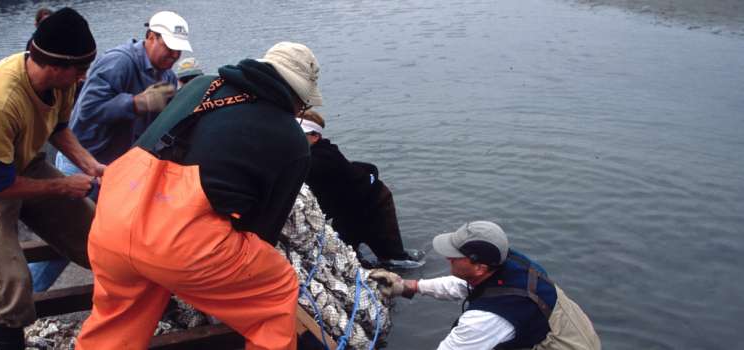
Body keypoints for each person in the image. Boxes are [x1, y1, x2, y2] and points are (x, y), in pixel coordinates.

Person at [75, 42, 322, 350]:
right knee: (277, 288)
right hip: (177, 244)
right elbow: (261, 232)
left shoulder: (203, 84)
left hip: (114, 213)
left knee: (116, 320)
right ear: (297, 95)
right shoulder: (293, 140)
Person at [0, 8, 102, 350]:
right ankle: (5, 336)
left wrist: (91, 166)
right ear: (55, 66)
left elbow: (57, 127)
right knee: (14, 282)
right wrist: (64, 185)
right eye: (81, 69)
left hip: (22, 163)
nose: (85, 76)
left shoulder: (60, 83)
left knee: (100, 240)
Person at [28, 11, 190, 293]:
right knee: (67, 239)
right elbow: (85, 112)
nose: (174, 54)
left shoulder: (167, 77)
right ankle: (21, 301)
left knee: (131, 234)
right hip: (82, 162)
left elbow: (156, 130)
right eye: (169, 46)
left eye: (179, 49)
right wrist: (136, 103)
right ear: (151, 37)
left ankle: (133, 297)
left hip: (116, 170)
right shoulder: (119, 62)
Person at [370, 221, 601, 350]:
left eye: (455, 256)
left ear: (479, 267)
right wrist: (407, 286)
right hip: (577, 334)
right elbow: (464, 285)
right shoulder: (505, 260)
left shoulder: (483, 321)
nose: (448, 258)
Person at [298, 109, 424, 269]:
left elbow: (304, 170)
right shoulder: (305, 153)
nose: (293, 138)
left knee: (395, 261)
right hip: (346, 210)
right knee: (342, 257)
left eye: (300, 134)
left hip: (375, 203)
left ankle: (406, 285)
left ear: (315, 137)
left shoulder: (324, 155)